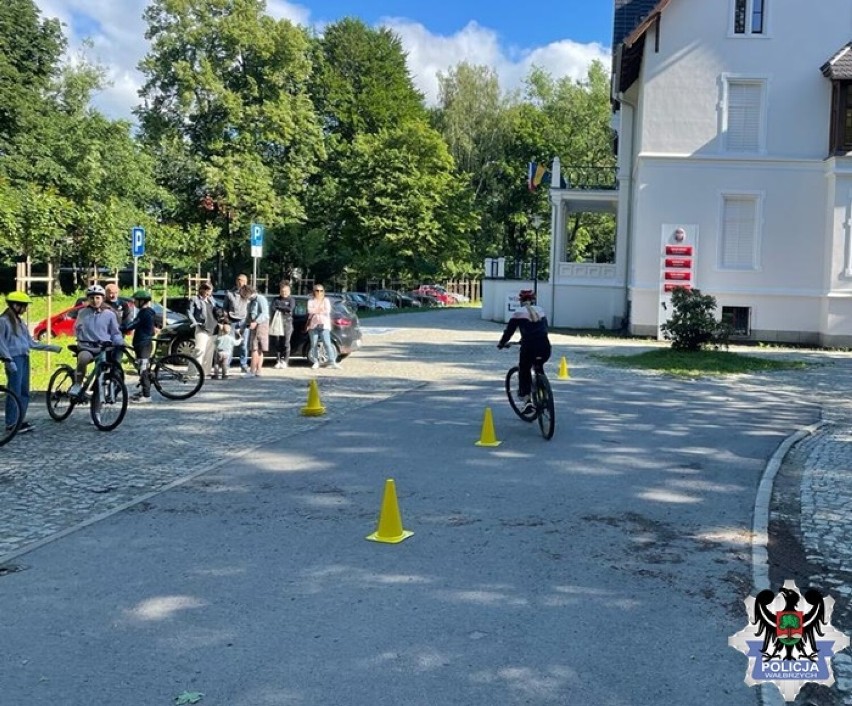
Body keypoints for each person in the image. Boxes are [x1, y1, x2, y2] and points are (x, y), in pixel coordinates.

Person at [0, 292, 61, 433]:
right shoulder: (3, 321)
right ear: (15, 305)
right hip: (14, 359)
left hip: (24, 357)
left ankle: (19, 420)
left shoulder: (20, 322)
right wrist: (7, 359)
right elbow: (1, 343)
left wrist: (51, 348)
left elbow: (30, 343)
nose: (25, 309)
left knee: (24, 391)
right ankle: (11, 423)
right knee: (14, 391)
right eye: (24, 306)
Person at [497, 289, 551, 414]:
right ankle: (544, 393)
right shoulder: (541, 311)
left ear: (521, 301)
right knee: (538, 366)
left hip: (529, 347)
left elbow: (509, 332)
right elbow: (543, 329)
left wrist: (501, 343)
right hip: (545, 347)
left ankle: (527, 401)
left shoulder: (518, 314)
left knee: (524, 369)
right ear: (533, 300)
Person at [70, 284, 125, 397]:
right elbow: (76, 328)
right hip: (87, 347)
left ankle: (100, 388)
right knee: (83, 359)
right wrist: (81, 337)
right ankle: (77, 384)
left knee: (104, 367)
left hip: (103, 348)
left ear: (103, 298)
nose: (95, 301)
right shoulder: (83, 313)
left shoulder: (110, 314)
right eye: (92, 298)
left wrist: (119, 342)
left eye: (97, 298)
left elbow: (115, 332)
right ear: (88, 299)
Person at [123, 290, 158, 403]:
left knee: (143, 370)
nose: (134, 303)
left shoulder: (144, 313)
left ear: (142, 301)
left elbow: (133, 324)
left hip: (143, 344)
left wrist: (121, 328)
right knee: (142, 368)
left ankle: (146, 396)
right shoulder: (148, 312)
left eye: (136, 301)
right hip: (143, 343)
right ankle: (143, 391)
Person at [187, 283, 219, 375]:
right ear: (201, 290)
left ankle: (205, 373)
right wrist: (194, 322)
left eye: (209, 291)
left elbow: (215, 311)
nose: (208, 293)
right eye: (207, 290)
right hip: (202, 327)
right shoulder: (195, 299)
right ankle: (192, 372)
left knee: (209, 353)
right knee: (199, 351)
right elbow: (189, 312)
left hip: (213, 328)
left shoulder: (212, 300)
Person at [306, 284, 340, 369]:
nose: (319, 292)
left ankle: (332, 361)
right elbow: (310, 310)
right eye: (317, 290)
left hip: (324, 325)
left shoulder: (326, 300)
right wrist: (320, 309)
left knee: (327, 343)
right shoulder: (311, 301)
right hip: (313, 325)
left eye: (321, 290)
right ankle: (316, 362)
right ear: (314, 291)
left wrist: (316, 310)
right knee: (313, 344)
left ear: (323, 292)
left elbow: (327, 311)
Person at [223, 273, 250, 374]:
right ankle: (227, 365)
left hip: (243, 321)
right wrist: (226, 319)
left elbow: (252, 307)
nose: (240, 282)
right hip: (232, 321)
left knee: (243, 345)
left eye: (243, 280)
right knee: (230, 344)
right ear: (236, 281)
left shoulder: (248, 293)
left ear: (246, 282)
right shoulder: (229, 293)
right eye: (239, 280)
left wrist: (250, 320)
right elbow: (225, 307)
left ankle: (243, 364)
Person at [245, 285, 270, 377]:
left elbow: (265, 313)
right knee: (258, 348)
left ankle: (252, 370)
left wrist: (255, 322)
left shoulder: (260, 299)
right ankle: (258, 371)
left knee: (255, 347)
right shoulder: (252, 301)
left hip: (261, 324)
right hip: (255, 324)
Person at [269, 280, 295, 369]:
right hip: (277, 323)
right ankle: (278, 360)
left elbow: (290, 309)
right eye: (282, 291)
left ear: (289, 291)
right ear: (280, 291)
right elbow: (272, 308)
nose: (284, 293)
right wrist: (283, 308)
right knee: (277, 343)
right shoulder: (275, 299)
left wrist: (279, 307)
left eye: (286, 291)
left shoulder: (291, 300)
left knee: (286, 343)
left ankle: (285, 361)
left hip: (287, 324)